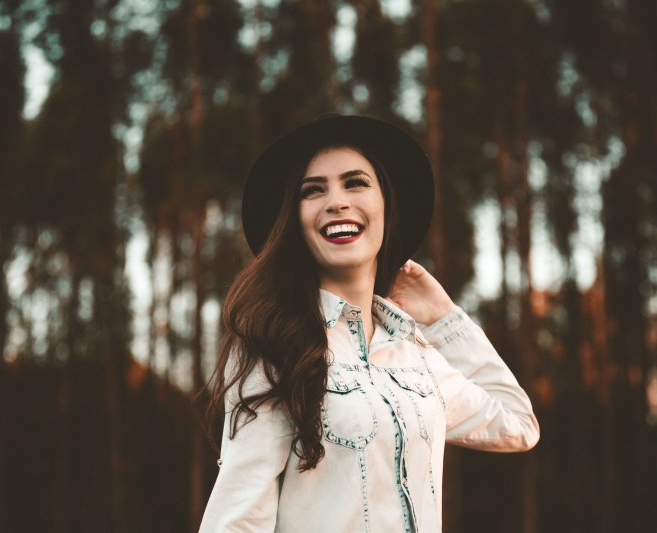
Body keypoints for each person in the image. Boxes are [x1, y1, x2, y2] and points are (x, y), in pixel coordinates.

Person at [199, 115, 539, 532]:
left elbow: (517, 424)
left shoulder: (415, 353)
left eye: (355, 182)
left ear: (385, 205)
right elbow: (237, 519)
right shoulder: (273, 344)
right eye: (313, 190)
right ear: (295, 220)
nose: (337, 201)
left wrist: (445, 319)